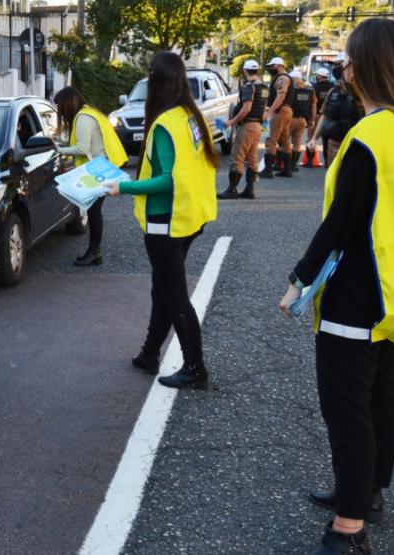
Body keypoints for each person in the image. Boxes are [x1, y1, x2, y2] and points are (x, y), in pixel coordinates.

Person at [279, 19, 394, 555]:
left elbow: (340, 224)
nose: (344, 66)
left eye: (349, 57)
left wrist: (298, 280)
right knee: (382, 394)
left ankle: (349, 528)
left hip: (359, 291)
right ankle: (367, 494)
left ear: (364, 66)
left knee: (348, 409)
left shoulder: (370, 135)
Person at [103, 52, 217, 390]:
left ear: (155, 80)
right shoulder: (190, 116)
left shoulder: (165, 123)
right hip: (189, 216)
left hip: (165, 221)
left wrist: (123, 187)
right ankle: (150, 353)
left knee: (174, 295)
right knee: (163, 289)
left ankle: (195, 368)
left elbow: (167, 180)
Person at [53, 86, 129, 266]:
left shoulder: (83, 118)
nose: (60, 111)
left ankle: (94, 251)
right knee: (94, 211)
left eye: (60, 106)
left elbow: (82, 148)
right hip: (101, 168)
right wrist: (61, 142)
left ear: (67, 104)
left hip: (97, 171)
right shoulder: (88, 113)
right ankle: (95, 251)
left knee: (94, 212)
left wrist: (59, 150)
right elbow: (82, 141)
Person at [219, 58, 268, 199]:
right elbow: (264, 107)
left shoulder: (249, 86)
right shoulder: (264, 87)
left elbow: (246, 108)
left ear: (245, 71)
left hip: (247, 126)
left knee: (237, 157)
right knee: (252, 158)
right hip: (257, 126)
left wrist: (232, 122)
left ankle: (232, 189)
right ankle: (249, 189)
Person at [308, 53, 365, 167]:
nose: (335, 68)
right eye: (334, 65)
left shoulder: (362, 91)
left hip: (355, 144)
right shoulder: (333, 91)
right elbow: (325, 116)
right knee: (333, 174)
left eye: (339, 65)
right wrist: (314, 139)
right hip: (333, 142)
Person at [263, 57, 294, 178]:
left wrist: (269, 112)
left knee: (271, 139)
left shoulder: (282, 78)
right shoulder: (283, 77)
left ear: (280, 66)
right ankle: (287, 169)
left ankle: (268, 170)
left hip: (280, 111)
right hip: (286, 111)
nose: (271, 68)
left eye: (273, 66)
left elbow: (280, 96)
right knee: (284, 140)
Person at [303, 68, 334, 167]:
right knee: (328, 139)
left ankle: (310, 161)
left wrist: (309, 117)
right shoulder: (332, 88)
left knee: (311, 138)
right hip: (329, 115)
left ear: (320, 76)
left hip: (316, 114)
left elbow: (311, 103)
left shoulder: (314, 87)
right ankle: (328, 162)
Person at [289, 70, 317, 172]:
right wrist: (312, 119)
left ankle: (283, 165)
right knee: (297, 143)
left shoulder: (291, 89)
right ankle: (293, 165)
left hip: (290, 118)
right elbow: (313, 105)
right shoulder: (310, 89)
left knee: (284, 141)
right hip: (302, 120)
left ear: (295, 79)